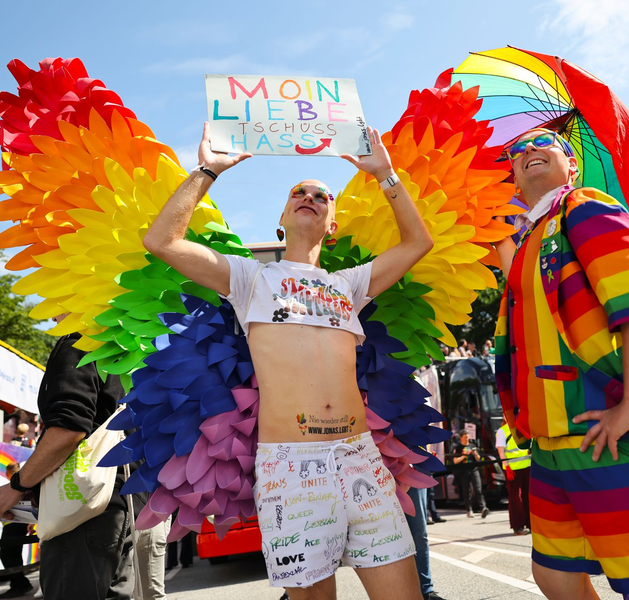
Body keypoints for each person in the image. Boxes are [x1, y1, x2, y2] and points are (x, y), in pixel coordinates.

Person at [143, 123, 433, 599]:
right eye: (298, 192)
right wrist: (207, 170)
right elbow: (163, 242)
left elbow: (417, 244)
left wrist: (385, 175)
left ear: (332, 224)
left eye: (322, 195)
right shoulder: (250, 278)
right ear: (281, 217)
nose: (310, 196)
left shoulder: (349, 285)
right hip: (291, 467)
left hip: (360, 458)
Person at [493, 128, 629, 599]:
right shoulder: (534, 237)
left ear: (571, 165)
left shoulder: (584, 205)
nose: (528, 150)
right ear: (512, 177)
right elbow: (525, 289)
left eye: (545, 143)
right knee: (554, 575)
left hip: (605, 432)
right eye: (517, 151)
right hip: (550, 442)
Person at [0, 319, 146, 600]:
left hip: (83, 512)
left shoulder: (80, 342)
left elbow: (69, 429)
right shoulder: (124, 344)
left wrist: (17, 485)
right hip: (123, 502)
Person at [405, 487, 446, 600]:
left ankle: (426, 590)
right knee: (388, 535)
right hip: (379, 475)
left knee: (419, 533)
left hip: (413, 473)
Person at [0, 463, 32, 598]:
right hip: (17, 522)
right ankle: (19, 583)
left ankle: (20, 584)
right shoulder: (22, 482)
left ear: (8, 473)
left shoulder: (14, 485)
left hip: (14, 522)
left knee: (8, 554)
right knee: (11, 554)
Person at [495, 417, 531, 535]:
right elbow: (501, 451)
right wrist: (507, 467)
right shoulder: (502, 431)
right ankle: (518, 527)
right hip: (513, 469)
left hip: (527, 466)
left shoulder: (522, 427)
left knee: (528, 496)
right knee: (516, 498)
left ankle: (530, 524)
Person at [451, 430, 489, 519]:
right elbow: (455, 461)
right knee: (466, 491)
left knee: (478, 489)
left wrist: (475, 454)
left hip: (474, 470)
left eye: (468, 437)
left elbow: (478, 459)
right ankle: (469, 510)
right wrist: (465, 455)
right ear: (461, 438)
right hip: (463, 471)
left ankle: (483, 508)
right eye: (465, 437)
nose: (467, 439)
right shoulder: (458, 447)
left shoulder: (472, 446)